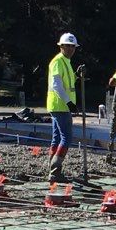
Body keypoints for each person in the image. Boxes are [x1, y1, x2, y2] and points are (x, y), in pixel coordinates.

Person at [47, 32, 80, 179]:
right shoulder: (58, 61)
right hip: (60, 105)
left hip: (60, 105)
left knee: (57, 138)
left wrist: (77, 75)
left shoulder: (66, 62)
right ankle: (55, 170)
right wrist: (68, 103)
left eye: (73, 47)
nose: (71, 49)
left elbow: (67, 83)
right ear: (61, 46)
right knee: (66, 137)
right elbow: (57, 85)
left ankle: (53, 170)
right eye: (68, 46)